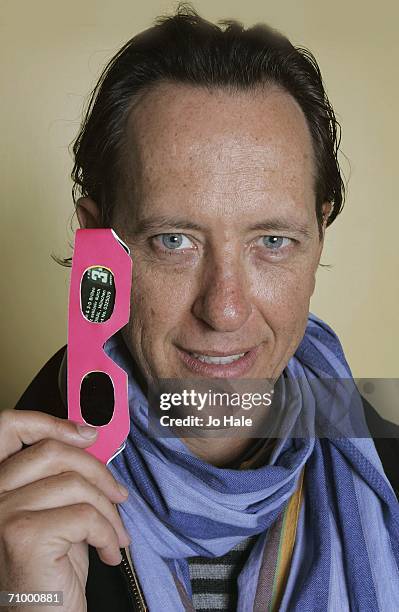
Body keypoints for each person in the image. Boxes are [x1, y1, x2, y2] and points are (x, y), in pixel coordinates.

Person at [3, 5, 399, 611]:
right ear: (96, 246)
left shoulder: (387, 448)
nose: (225, 310)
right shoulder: (16, 520)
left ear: (320, 238)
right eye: (174, 241)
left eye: (272, 241)